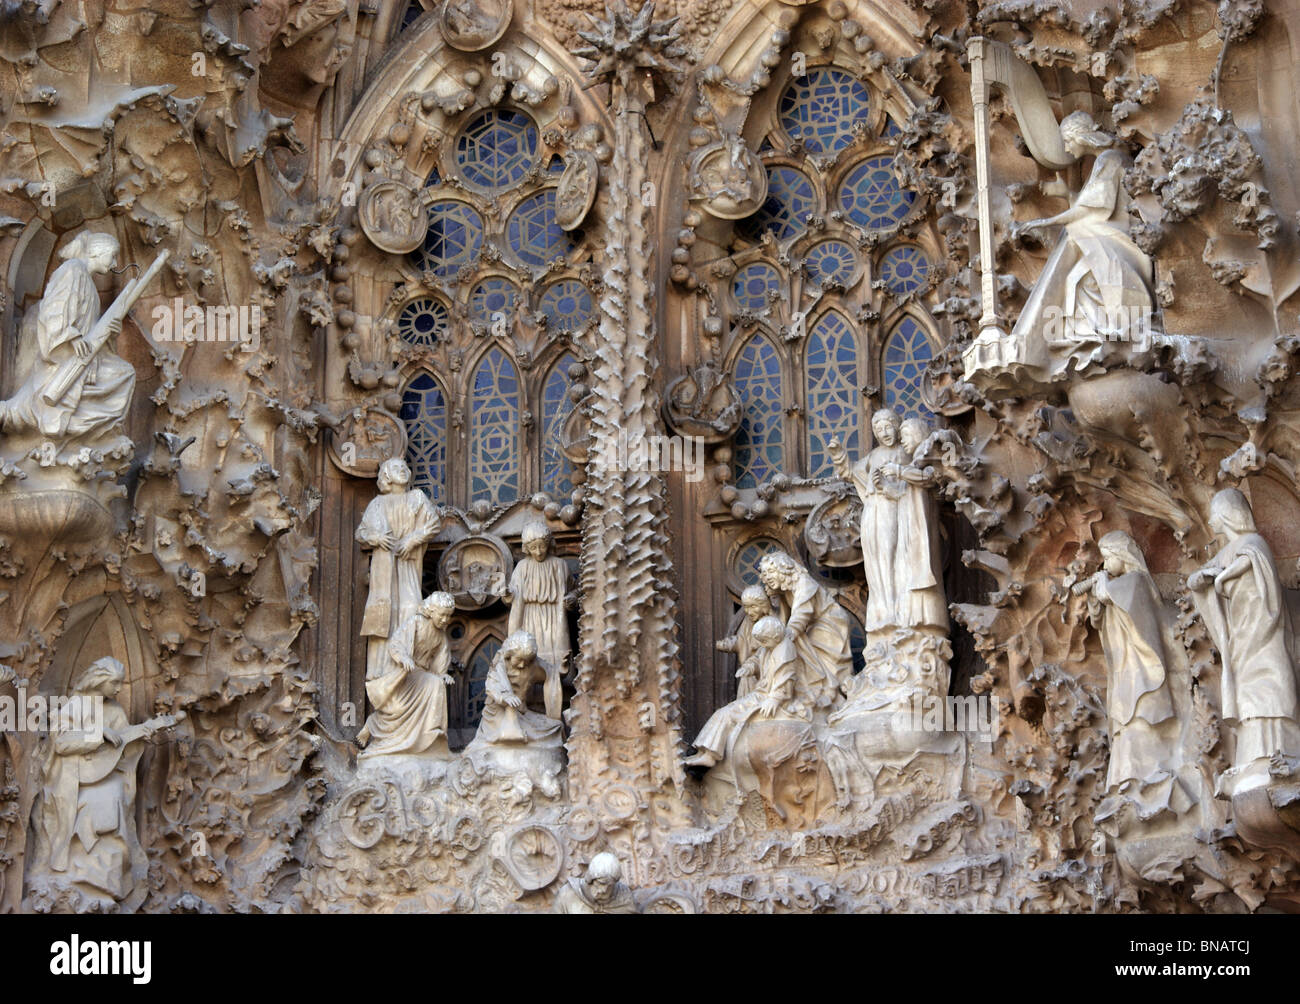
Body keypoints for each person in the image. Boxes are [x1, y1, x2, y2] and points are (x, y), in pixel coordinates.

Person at [1010, 111, 1155, 372]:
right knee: (1076, 278)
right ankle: (1093, 335)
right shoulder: (1109, 159)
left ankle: (1113, 329)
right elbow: (1094, 205)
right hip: (1106, 233)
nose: (1066, 148)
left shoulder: (1109, 159)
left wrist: (1046, 222)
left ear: (1081, 137)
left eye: (1068, 141)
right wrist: (1067, 194)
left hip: (1116, 238)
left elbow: (1091, 210)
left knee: (1081, 269)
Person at [30, 657, 182, 905]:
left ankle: (104, 878)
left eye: (121, 683)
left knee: (113, 796)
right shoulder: (74, 705)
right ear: (100, 680)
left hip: (105, 775)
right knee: (90, 801)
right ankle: (76, 870)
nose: (119, 689)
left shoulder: (115, 711)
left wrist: (139, 735)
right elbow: (61, 743)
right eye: (114, 683)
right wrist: (98, 734)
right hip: (72, 778)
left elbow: (122, 746)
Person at [1189, 489, 1300, 783]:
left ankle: (1282, 750)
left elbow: (1251, 560)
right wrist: (1200, 581)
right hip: (1240, 634)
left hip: (1264, 626)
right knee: (1248, 693)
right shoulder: (1224, 552)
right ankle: (1253, 755)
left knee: (1272, 682)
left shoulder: (1252, 542)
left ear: (1228, 514)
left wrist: (1222, 576)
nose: (1212, 520)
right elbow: (1198, 578)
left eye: (1216, 512)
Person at [0, 232, 135, 442]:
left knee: (124, 373)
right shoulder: (72, 270)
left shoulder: (88, 283)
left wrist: (110, 330)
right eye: (112, 256)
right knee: (123, 374)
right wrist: (70, 337)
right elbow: (55, 308)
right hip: (64, 356)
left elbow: (92, 330)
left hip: (83, 357)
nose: (115, 263)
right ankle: (70, 429)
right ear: (96, 252)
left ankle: (83, 433)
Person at [684, 615, 809, 770]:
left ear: (775, 636)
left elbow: (786, 678)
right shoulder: (770, 646)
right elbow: (757, 659)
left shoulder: (785, 650)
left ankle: (710, 755)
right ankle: (704, 751)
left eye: (764, 641)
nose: (762, 645)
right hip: (761, 694)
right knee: (723, 713)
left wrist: (775, 699)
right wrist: (749, 667)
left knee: (727, 714)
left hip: (768, 698)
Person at [355, 458, 441, 680]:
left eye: (404, 467)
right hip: (384, 571)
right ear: (385, 476)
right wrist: (375, 537)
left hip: (408, 564)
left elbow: (433, 523)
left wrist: (413, 539)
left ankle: (410, 664)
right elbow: (361, 534)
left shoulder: (416, 498)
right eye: (396, 468)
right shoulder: (377, 504)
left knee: (411, 608)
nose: (402, 470)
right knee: (384, 614)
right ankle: (381, 670)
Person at [830, 409, 910, 633]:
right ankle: (883, 610)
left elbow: (914, 487)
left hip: (894, 510)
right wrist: (838, 453)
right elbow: (849, 471)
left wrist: (888, 485)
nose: (885, 432)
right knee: (876, 561)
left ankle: (899, 610)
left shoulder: (905, 453)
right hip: (873, 511)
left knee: (894, 557)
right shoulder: (874, 456)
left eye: (888, 426)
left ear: (897, 426)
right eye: (879, 428)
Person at [357, 591, 456, 760]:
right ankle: (372, 724)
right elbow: (396, 643)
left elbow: (441, 659)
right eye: (442, 615)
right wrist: (404, 658)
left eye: (448, 616)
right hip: (405, 672)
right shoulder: (416, 623)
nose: (445, 620)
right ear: (431, 611)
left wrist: (443, 674)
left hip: (423, 674)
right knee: (397, 708)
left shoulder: (440, 635)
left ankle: (430, 734)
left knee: (436, 684)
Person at [757, 551, 852, 708]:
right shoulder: (786, 590)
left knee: (829, 664)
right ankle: (813, 692)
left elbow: (802, 614)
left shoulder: (804, 583)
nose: (766, 578)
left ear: (784, 569)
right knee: (799, 647)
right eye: (764, 574)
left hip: (829, 623)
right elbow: (784, 620)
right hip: (810, 626)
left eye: (771, 572)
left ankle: (830, 695)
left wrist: (787, 634)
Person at [886, 418, 948, 632]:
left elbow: (929, 478)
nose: (902, 441)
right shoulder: (912, 464)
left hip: (920, 530)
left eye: (905, 436)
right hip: (909, 532)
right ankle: (912, 621)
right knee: (908, 574)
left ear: (917, 434)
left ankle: (925, 621)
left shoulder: (926, 455)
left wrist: (899, 471)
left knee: (920, 573)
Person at [503, 522, 569, 718]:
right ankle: (520, 715)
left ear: (549, 544)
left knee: (553, 669)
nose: (538, 551)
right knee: (524, 665)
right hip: (529, 619)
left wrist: (571, 600)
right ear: (526, 548)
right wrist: (507, 593)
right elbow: (513, 592)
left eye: (542, 546)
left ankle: (554, 719)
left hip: (553, 620)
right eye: (533, 547)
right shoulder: (522, 567)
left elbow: (572, 590)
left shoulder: (559, 565)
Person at [468, 631, 563, 748]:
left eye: (527, 661)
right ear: (510, 653)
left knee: (555, 726)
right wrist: (505, 696)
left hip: (523, 713)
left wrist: (561, 669)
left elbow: (550, 672)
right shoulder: (500, 662)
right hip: (497, 715)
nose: (522, 665)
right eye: (519, 659)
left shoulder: (533, 664)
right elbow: (492, 684)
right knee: (515, 736)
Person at [715, 584, 774, 698]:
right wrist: (729, 644)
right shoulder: (748, 621)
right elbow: (742, 640)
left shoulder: (772, 622)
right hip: (750, 672)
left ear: (764, 605)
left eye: (753, 606)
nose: (749, 611)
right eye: (746, 607)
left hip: (768, 672)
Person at [554, 853, 636, 914]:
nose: (604, 890)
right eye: (601, 883)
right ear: (591, 879)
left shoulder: (624, 898)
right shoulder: (568, 895)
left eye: (610, 886)